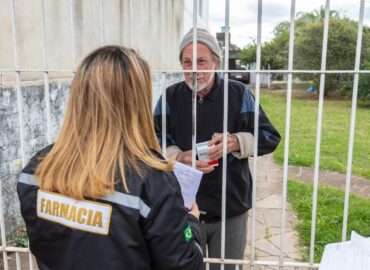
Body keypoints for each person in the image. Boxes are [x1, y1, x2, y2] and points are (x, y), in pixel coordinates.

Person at [17, 45, 203, 270]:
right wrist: (191, 222)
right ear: (137, 102)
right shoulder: (151, 181)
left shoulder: (36, 170)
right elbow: (185, 265)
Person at [154, 28, 281, 269]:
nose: (194, 70)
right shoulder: (169, 97)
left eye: (201, 61)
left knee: (227, 266)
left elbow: (269, 136)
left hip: (230, 206)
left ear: (216, 62)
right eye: (187, 62)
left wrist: (235, 141)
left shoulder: (238, 93)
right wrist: (179, 156)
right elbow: (152, 140)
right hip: (184, 206)